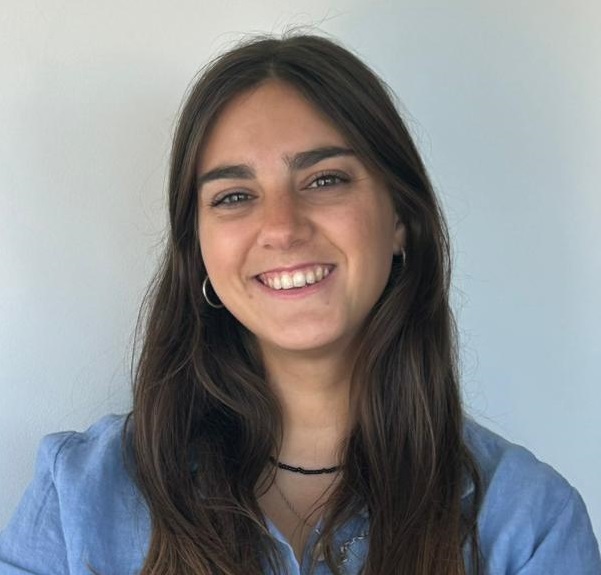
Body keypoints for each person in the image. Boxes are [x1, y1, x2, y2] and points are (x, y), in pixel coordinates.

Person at [0, 33, 599, 575]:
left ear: (399, 220)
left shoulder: (529, 524)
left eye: (325, 180)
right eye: (234, 196)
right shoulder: (77, 498)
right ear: (200, 251)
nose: (282, 228)